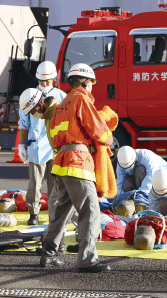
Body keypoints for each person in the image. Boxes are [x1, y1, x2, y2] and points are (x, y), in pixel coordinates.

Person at [40, 63, 114, 273]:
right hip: (78, 162)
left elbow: (54, 138)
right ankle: (87, 260)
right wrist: (109, 139)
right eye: (91, 84)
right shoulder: (81, 99)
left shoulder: (62, 104)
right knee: (90, 211)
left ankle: (49, 254)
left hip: (61, 163)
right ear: (84, 82)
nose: (91, 89)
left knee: (61, 212)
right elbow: (98, 129)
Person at [18, 61, 66, 226]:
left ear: (54, 79)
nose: (44, 84)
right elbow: (23, 123)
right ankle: (34, 213)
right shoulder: (30, 95)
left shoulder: (62, 96)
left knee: (56, 184)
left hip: (56, 147)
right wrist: (21, 145)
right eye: (41, 81)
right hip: (37, 145)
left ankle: (54, 214)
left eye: (47, 81)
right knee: (35, 183)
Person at [113, 146, 167, 217]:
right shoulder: (121, 162)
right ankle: (131, 203)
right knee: (127, 184)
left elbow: (149, 180)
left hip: (157, 175)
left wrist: (140, 195)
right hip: (136, 176)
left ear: (135, 158)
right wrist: (119, 199)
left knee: (139, 169)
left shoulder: (147, 158)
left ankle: (142, 202)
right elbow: (120, 182)